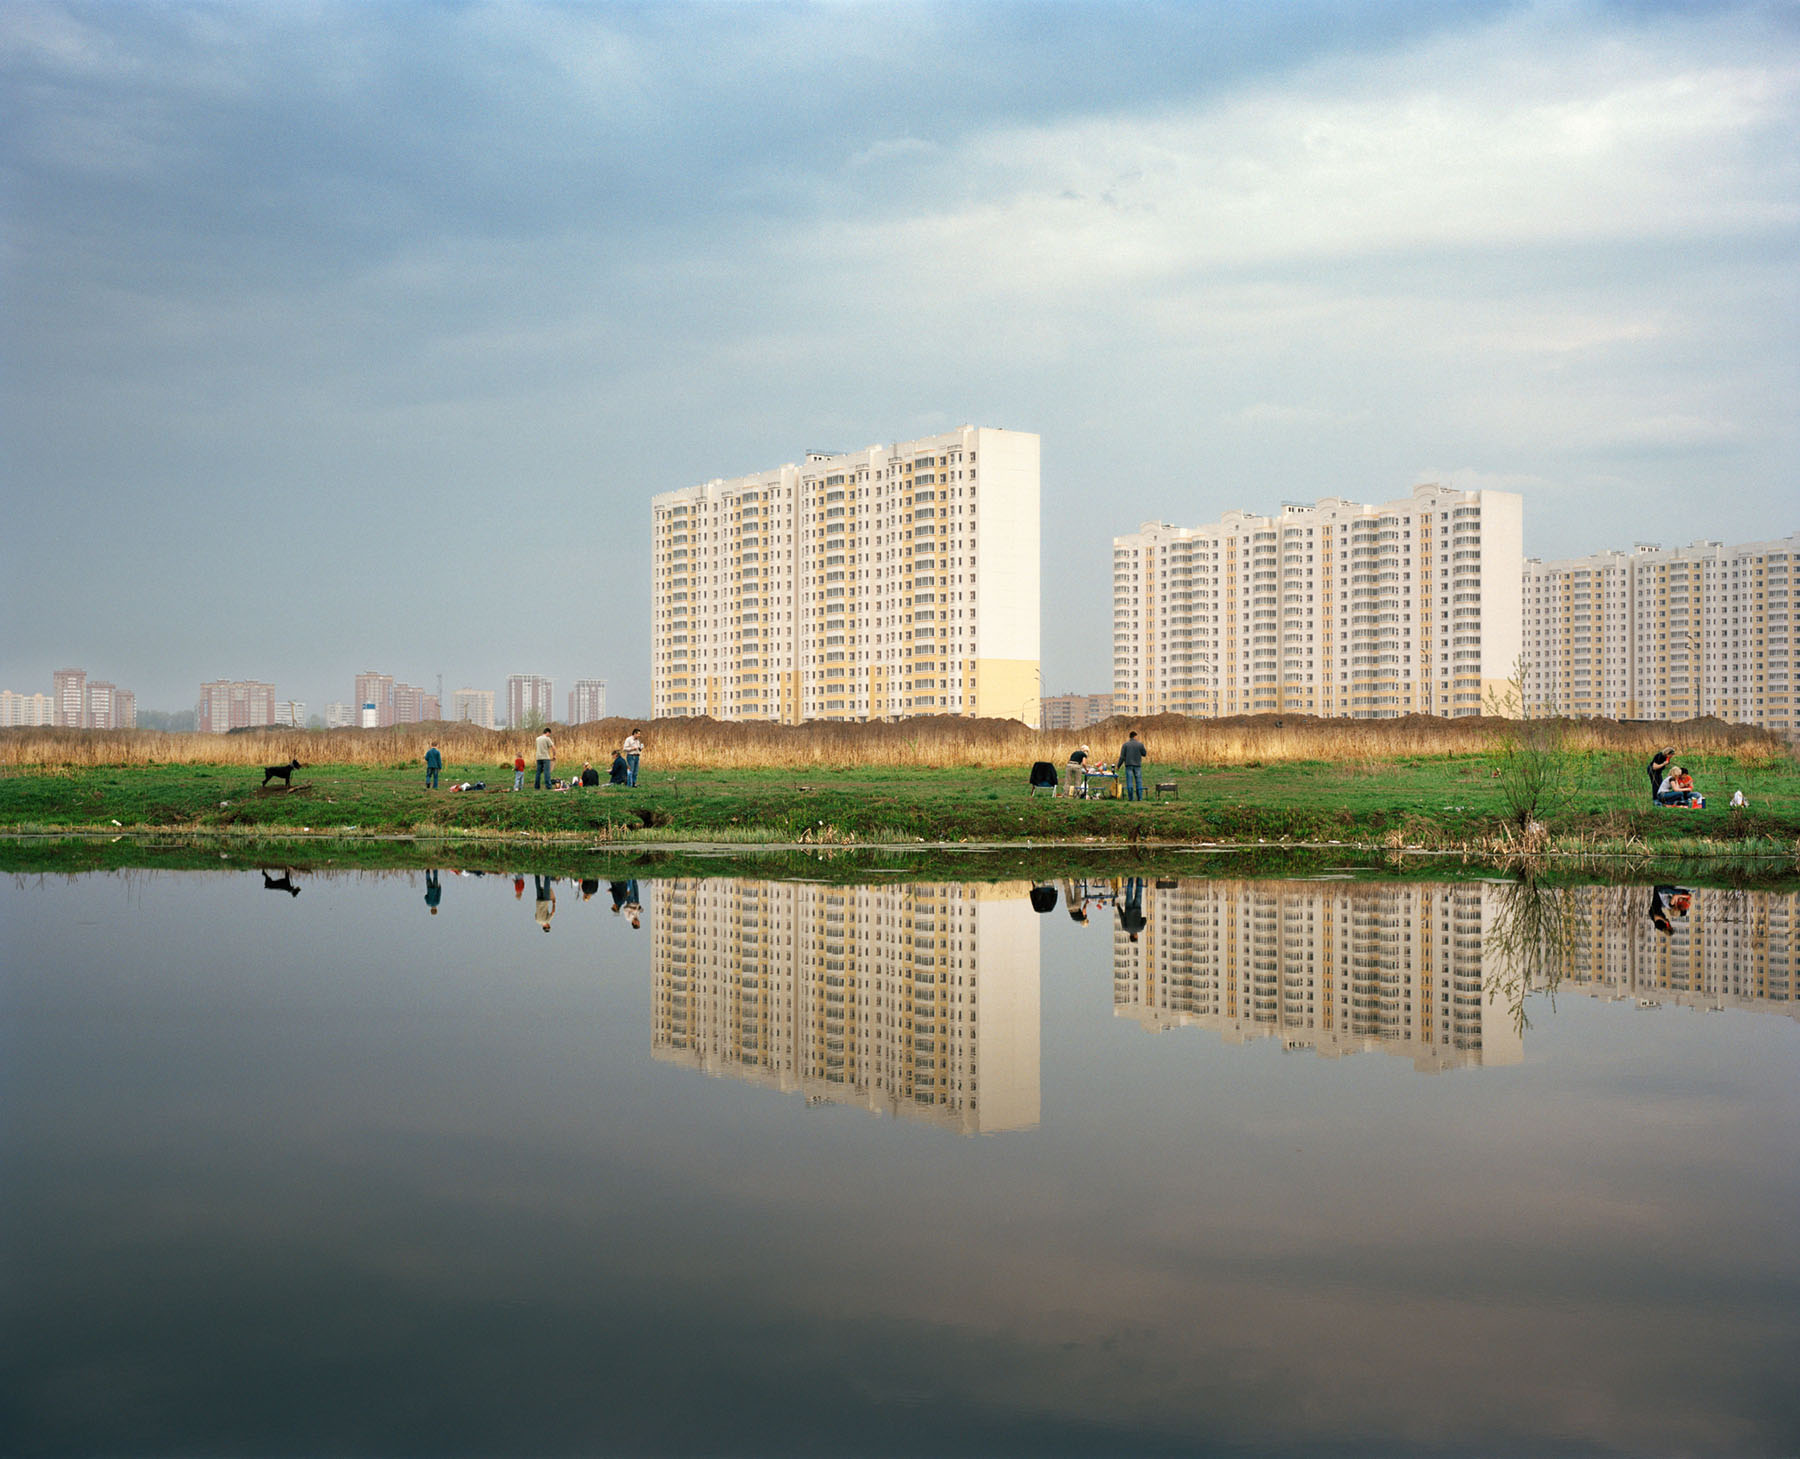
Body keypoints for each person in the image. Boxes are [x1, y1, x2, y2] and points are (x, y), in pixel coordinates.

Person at [1118, 730, 1148, 801]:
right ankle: (1140, 798)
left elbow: (1122, 757)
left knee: (1129, 781)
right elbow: (1144, 754)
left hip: (1128, 765)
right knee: (1139, 781)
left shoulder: (1125, 745)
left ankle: (1131, 798)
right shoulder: (1140, 744)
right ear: (1135, 736)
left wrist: (1118, 765)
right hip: (1137, 765)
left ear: (1130, 737)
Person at [1118, 877, 1146, 942]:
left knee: (1139, 892)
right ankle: (1131, 877)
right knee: (1129, 892)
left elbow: (1144, 919)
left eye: (1137, 937)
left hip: (1137, 909)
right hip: (1128, 908)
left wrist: (1139, 920)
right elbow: (1122, 916)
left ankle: (1140, 876)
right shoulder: (1125, 928)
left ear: (1135, 936)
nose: (1137, 936)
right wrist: (1118, 907)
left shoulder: (1140, 928)